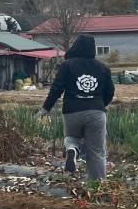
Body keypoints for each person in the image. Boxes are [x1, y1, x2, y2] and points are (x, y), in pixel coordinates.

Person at [37, 34, 114, 180]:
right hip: (96, 111)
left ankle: (72, 150)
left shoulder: (67, 65)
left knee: (71, 137)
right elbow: (110, 91)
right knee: (96, 152)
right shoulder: (103, 67)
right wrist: (100, 105)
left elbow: (56, 89)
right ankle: (97, 186)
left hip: (72, 110)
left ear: (76, 46)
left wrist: (45, 109)